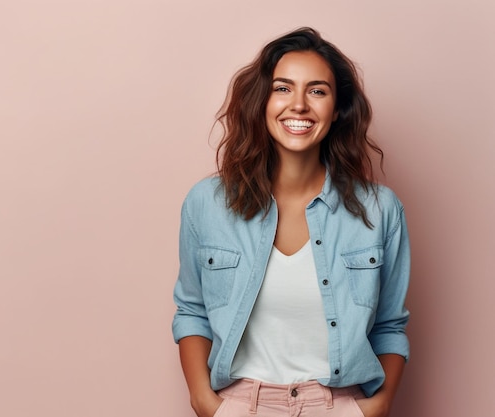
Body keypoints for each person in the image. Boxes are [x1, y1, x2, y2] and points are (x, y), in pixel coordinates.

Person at [172, 27, 410, 417]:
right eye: (282, 88)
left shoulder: (381, 210)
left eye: (317, 91)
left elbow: (389, 326)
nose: (299, 105)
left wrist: (375, 408)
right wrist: (205, 402)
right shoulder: (207, 203)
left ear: (337, 110)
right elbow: (191, 310)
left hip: (339, 406)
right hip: (239, 404)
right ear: (261, 101)